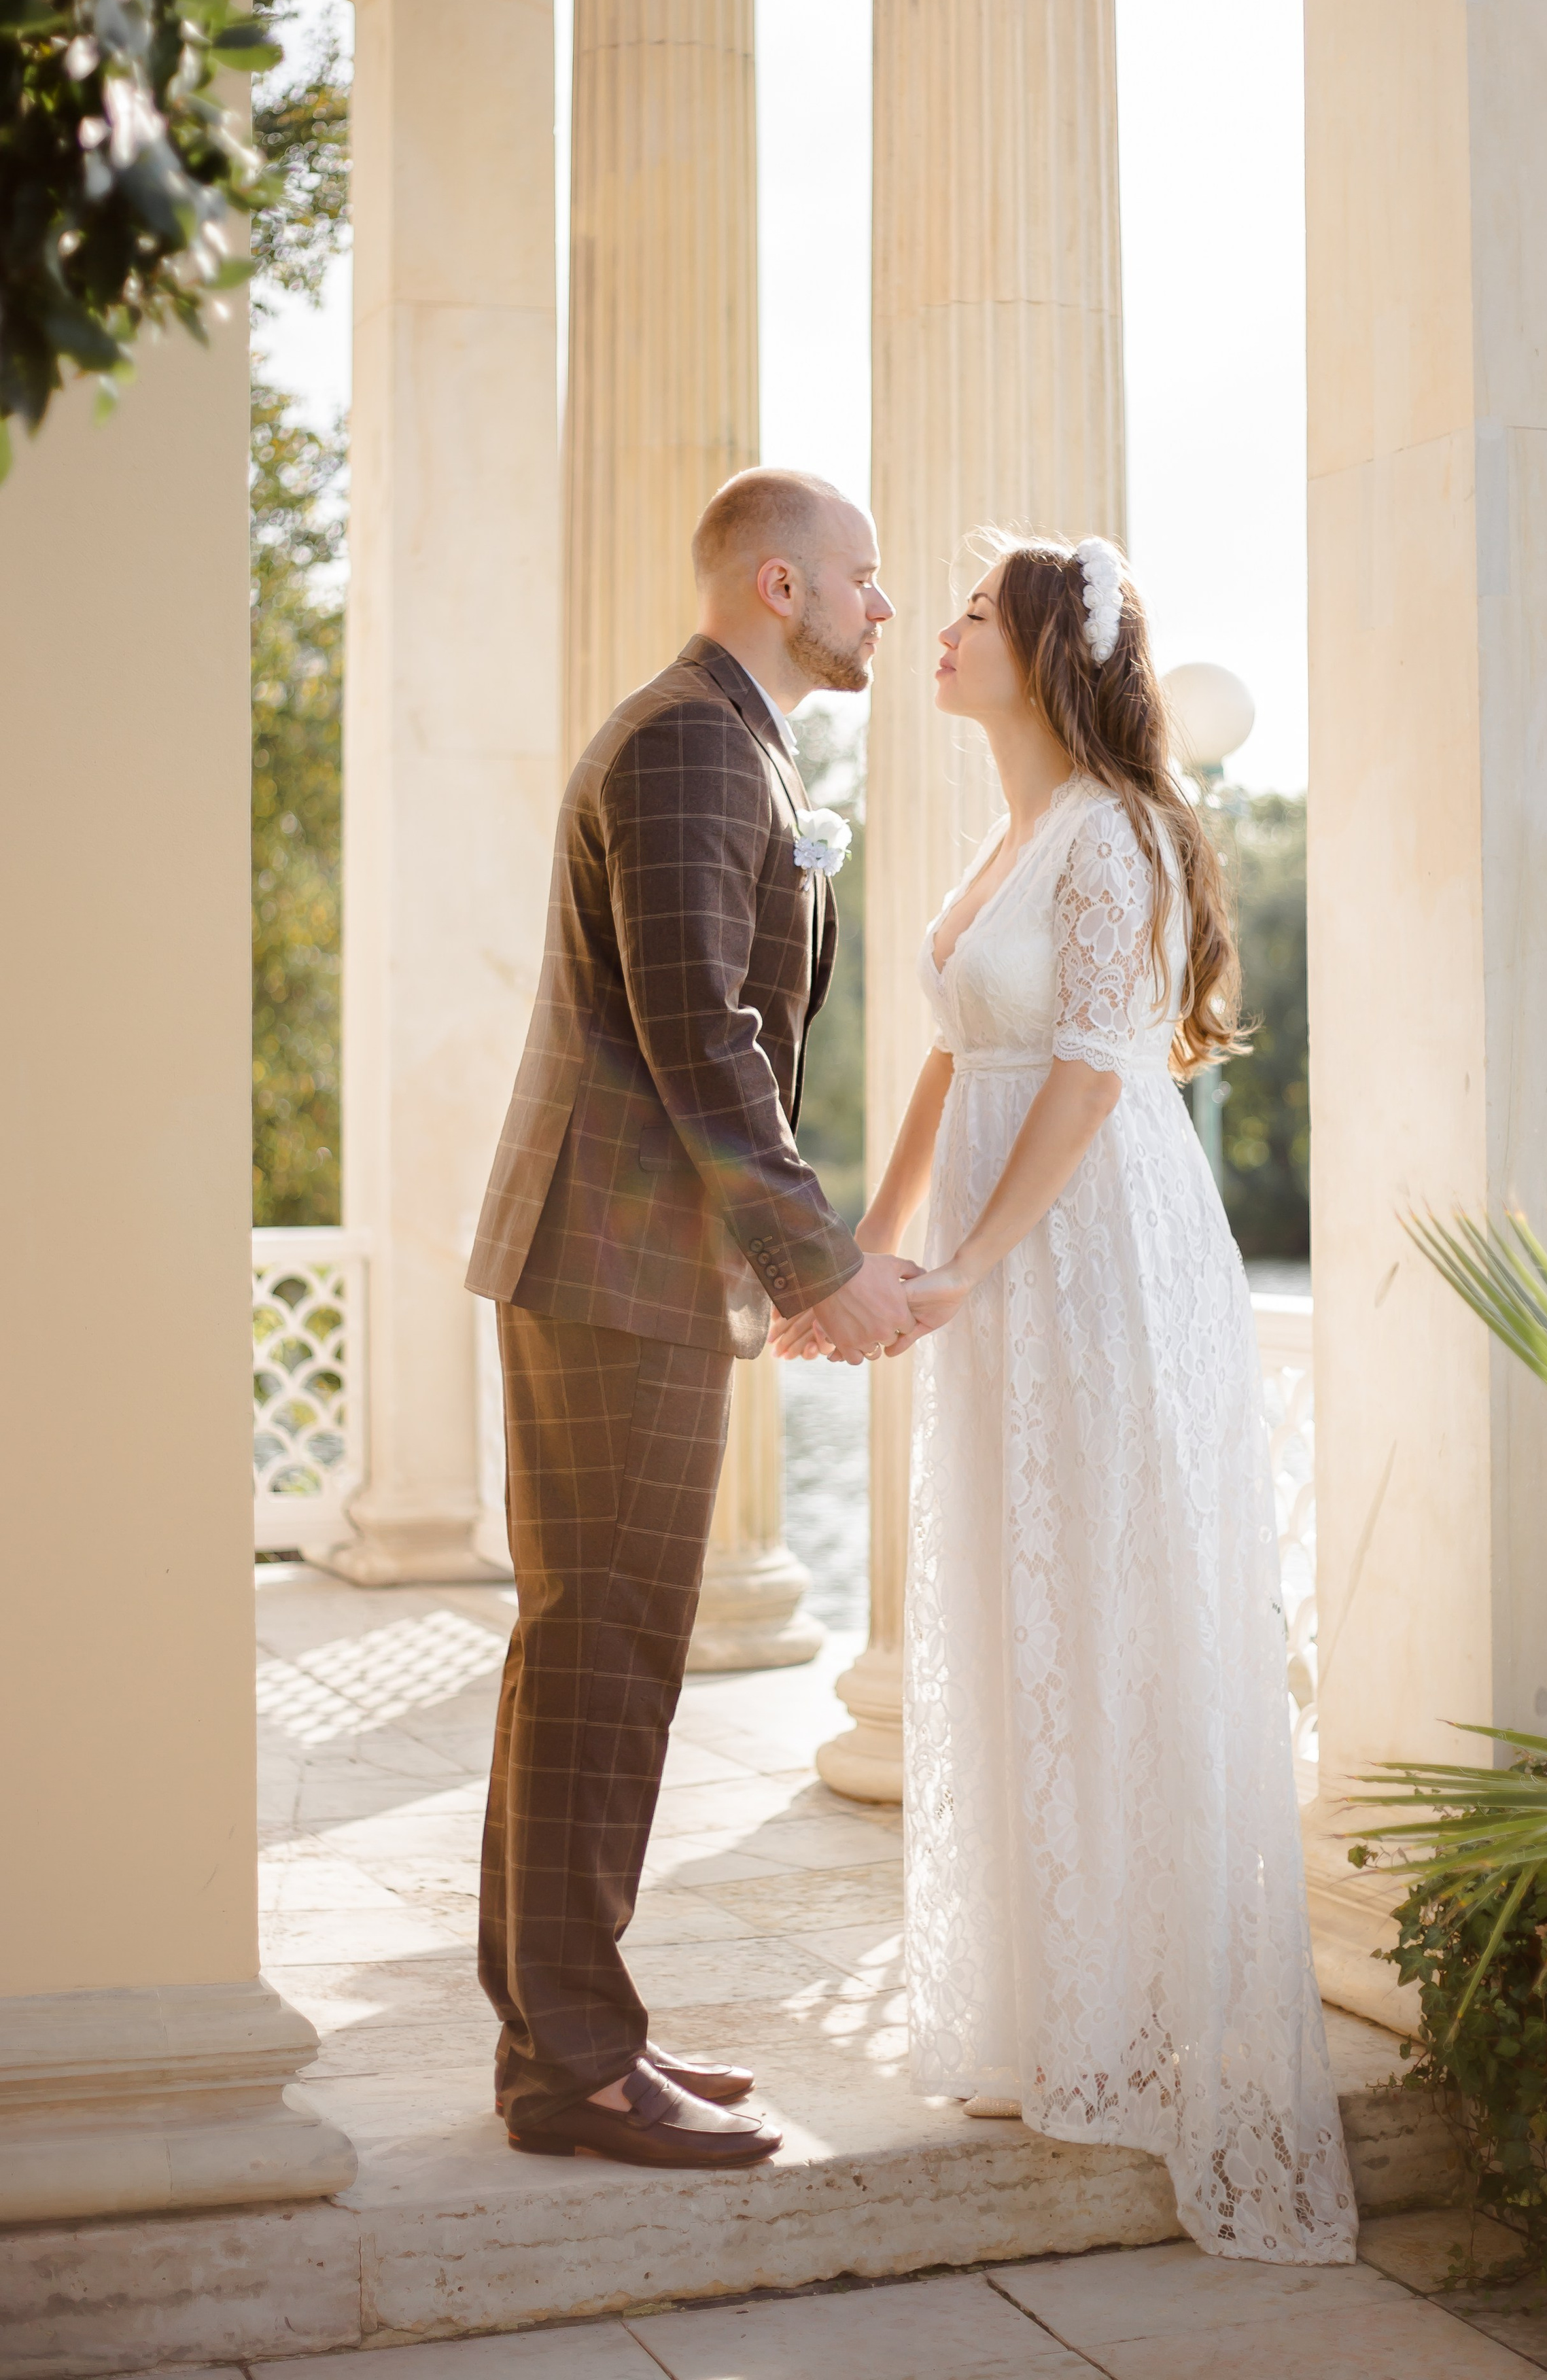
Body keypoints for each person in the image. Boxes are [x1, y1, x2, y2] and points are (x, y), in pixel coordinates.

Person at [774, 534, 1358, 2262]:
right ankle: (1051, 2010)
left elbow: (1097, 1076)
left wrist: (968, 1269)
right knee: (1014, 1604)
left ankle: (1145, 2018)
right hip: (996, 1251)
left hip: (1090, 1257)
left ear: (1039, 652)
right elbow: (954, 1054)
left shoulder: (1112, 836)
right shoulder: (1009, 836)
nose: (932, 634)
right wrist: (855, 1254)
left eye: (963, 615)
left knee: (1112, 1598)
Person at [466, 467, 918, 2169]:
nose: (882, 608)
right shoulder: (687, 746)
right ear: (782, 585)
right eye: (865, 580)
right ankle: (576, 2063)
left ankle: (562, 2036)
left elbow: (712, 1029)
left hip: (620, 1262)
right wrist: (820, 1265)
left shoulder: (732, 743)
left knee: (588, 1647)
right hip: (612, 1266)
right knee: (605, 1651)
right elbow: (697, 1035)